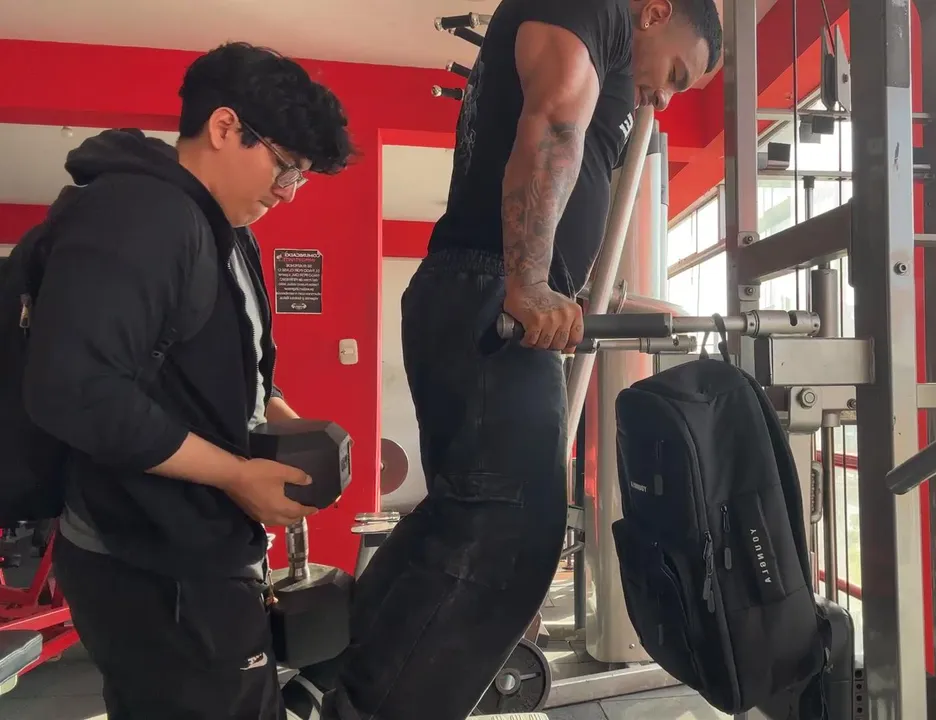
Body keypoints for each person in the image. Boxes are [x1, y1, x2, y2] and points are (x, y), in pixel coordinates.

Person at [321, 0, 722, 717]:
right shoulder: (594, 8)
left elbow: (570, 169)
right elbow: (555, 121)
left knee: (464, 518)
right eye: (677, 75)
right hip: (491, 290)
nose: (665, 98)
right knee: (508, 541)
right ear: (657, 11)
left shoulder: (608, 52)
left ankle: (339, 678)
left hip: (482, 289)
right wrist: (529, 282)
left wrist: (582, 291)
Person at [26, 42, 354, 719]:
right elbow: (76, 389)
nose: (287, 191)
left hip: (200, 547)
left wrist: (286, 424)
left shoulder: (228, 232)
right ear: (225, 126)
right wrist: (236, 474)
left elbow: (234, 370)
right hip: (149, 556)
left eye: (301, 177)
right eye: (284, 166)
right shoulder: (138, 214)